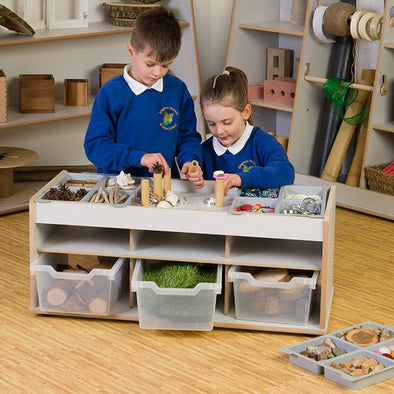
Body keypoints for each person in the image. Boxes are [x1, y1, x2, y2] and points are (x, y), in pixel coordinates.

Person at [84, 6, 204, 188]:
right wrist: (138, 157)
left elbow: (187, 137)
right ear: (131, 51)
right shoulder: (111, 93)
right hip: (116, 187)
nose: (157, 72)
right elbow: (96, 147)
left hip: (163, 186)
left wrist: (190, 160)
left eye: (165, 65)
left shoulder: (177, 90)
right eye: (150, 64)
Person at [200, 66, 295, 196]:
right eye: (211, 124)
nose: (219, 131)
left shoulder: (262, 142)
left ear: (245, 112)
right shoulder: (204, 150)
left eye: (227, 122)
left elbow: (286, 172)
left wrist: (240, 179)